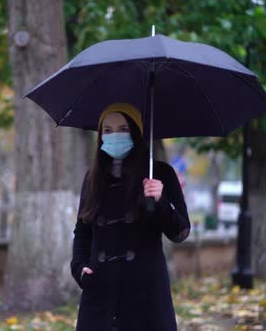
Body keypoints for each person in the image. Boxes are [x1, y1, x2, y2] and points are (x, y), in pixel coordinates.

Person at [70, 103, 191, 331]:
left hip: (146, 295)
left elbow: (180, 232)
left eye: (123, 128)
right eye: (107, 130)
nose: (114, 135)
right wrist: (79, 267)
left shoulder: (161, 173)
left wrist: (161, 200)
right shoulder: (93, 178)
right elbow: (82, 231)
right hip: (100, 294)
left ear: (136, 133)